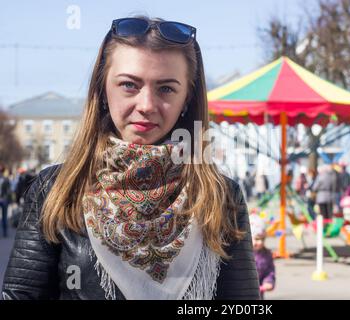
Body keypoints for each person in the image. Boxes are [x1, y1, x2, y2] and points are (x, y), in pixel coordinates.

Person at [2, 16, 260, 300]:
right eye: (129, 85)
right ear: (102, 89)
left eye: (166, 89)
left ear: (187, 98)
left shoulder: (221, 198)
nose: (146, 105)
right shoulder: (55, 189)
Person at [249, 214, 275, 299]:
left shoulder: (266, 254)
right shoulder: (243, 255)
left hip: (258, 294)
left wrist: (268, 281)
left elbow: (270, 270)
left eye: (262, 239)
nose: (259, 242)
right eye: (256, 239)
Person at [0, 165, 12, 237]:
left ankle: (5, 232)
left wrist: (5, 198)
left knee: (4, 217)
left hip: (4, 200)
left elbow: (8, 191)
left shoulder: (6, 179)